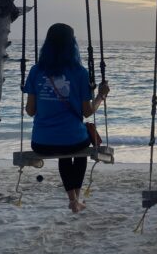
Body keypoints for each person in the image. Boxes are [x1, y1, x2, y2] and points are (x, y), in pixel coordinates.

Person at [24, 23, 109, 213]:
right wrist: (101, 96)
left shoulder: (36, 71)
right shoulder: (79, 73)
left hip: (41, 143)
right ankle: (75, 199)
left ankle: (74, 200)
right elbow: (87, 112)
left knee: (65, 151)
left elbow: (30, 111)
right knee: (78, 149)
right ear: (72, 45)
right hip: (73, 141)